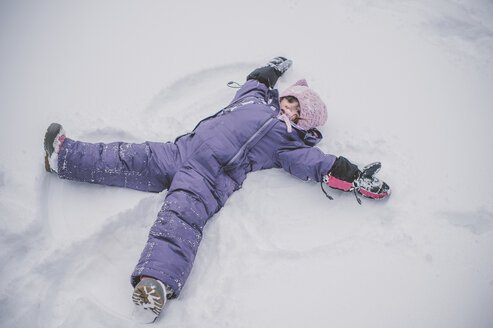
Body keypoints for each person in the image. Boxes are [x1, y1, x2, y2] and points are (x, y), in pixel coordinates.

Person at [43, 57, 390, 323]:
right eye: (289, 101)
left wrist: (354, 175)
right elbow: (257, 80)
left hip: (209, 178)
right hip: (180, 150)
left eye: (297, 112)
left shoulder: (288, 142)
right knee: (128, 156)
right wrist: (272, 67)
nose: (288, 109)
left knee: (179, 221)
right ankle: (65, 157)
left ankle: (155, 286)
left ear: (304, 123)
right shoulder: (254, 99)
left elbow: (319, 164)